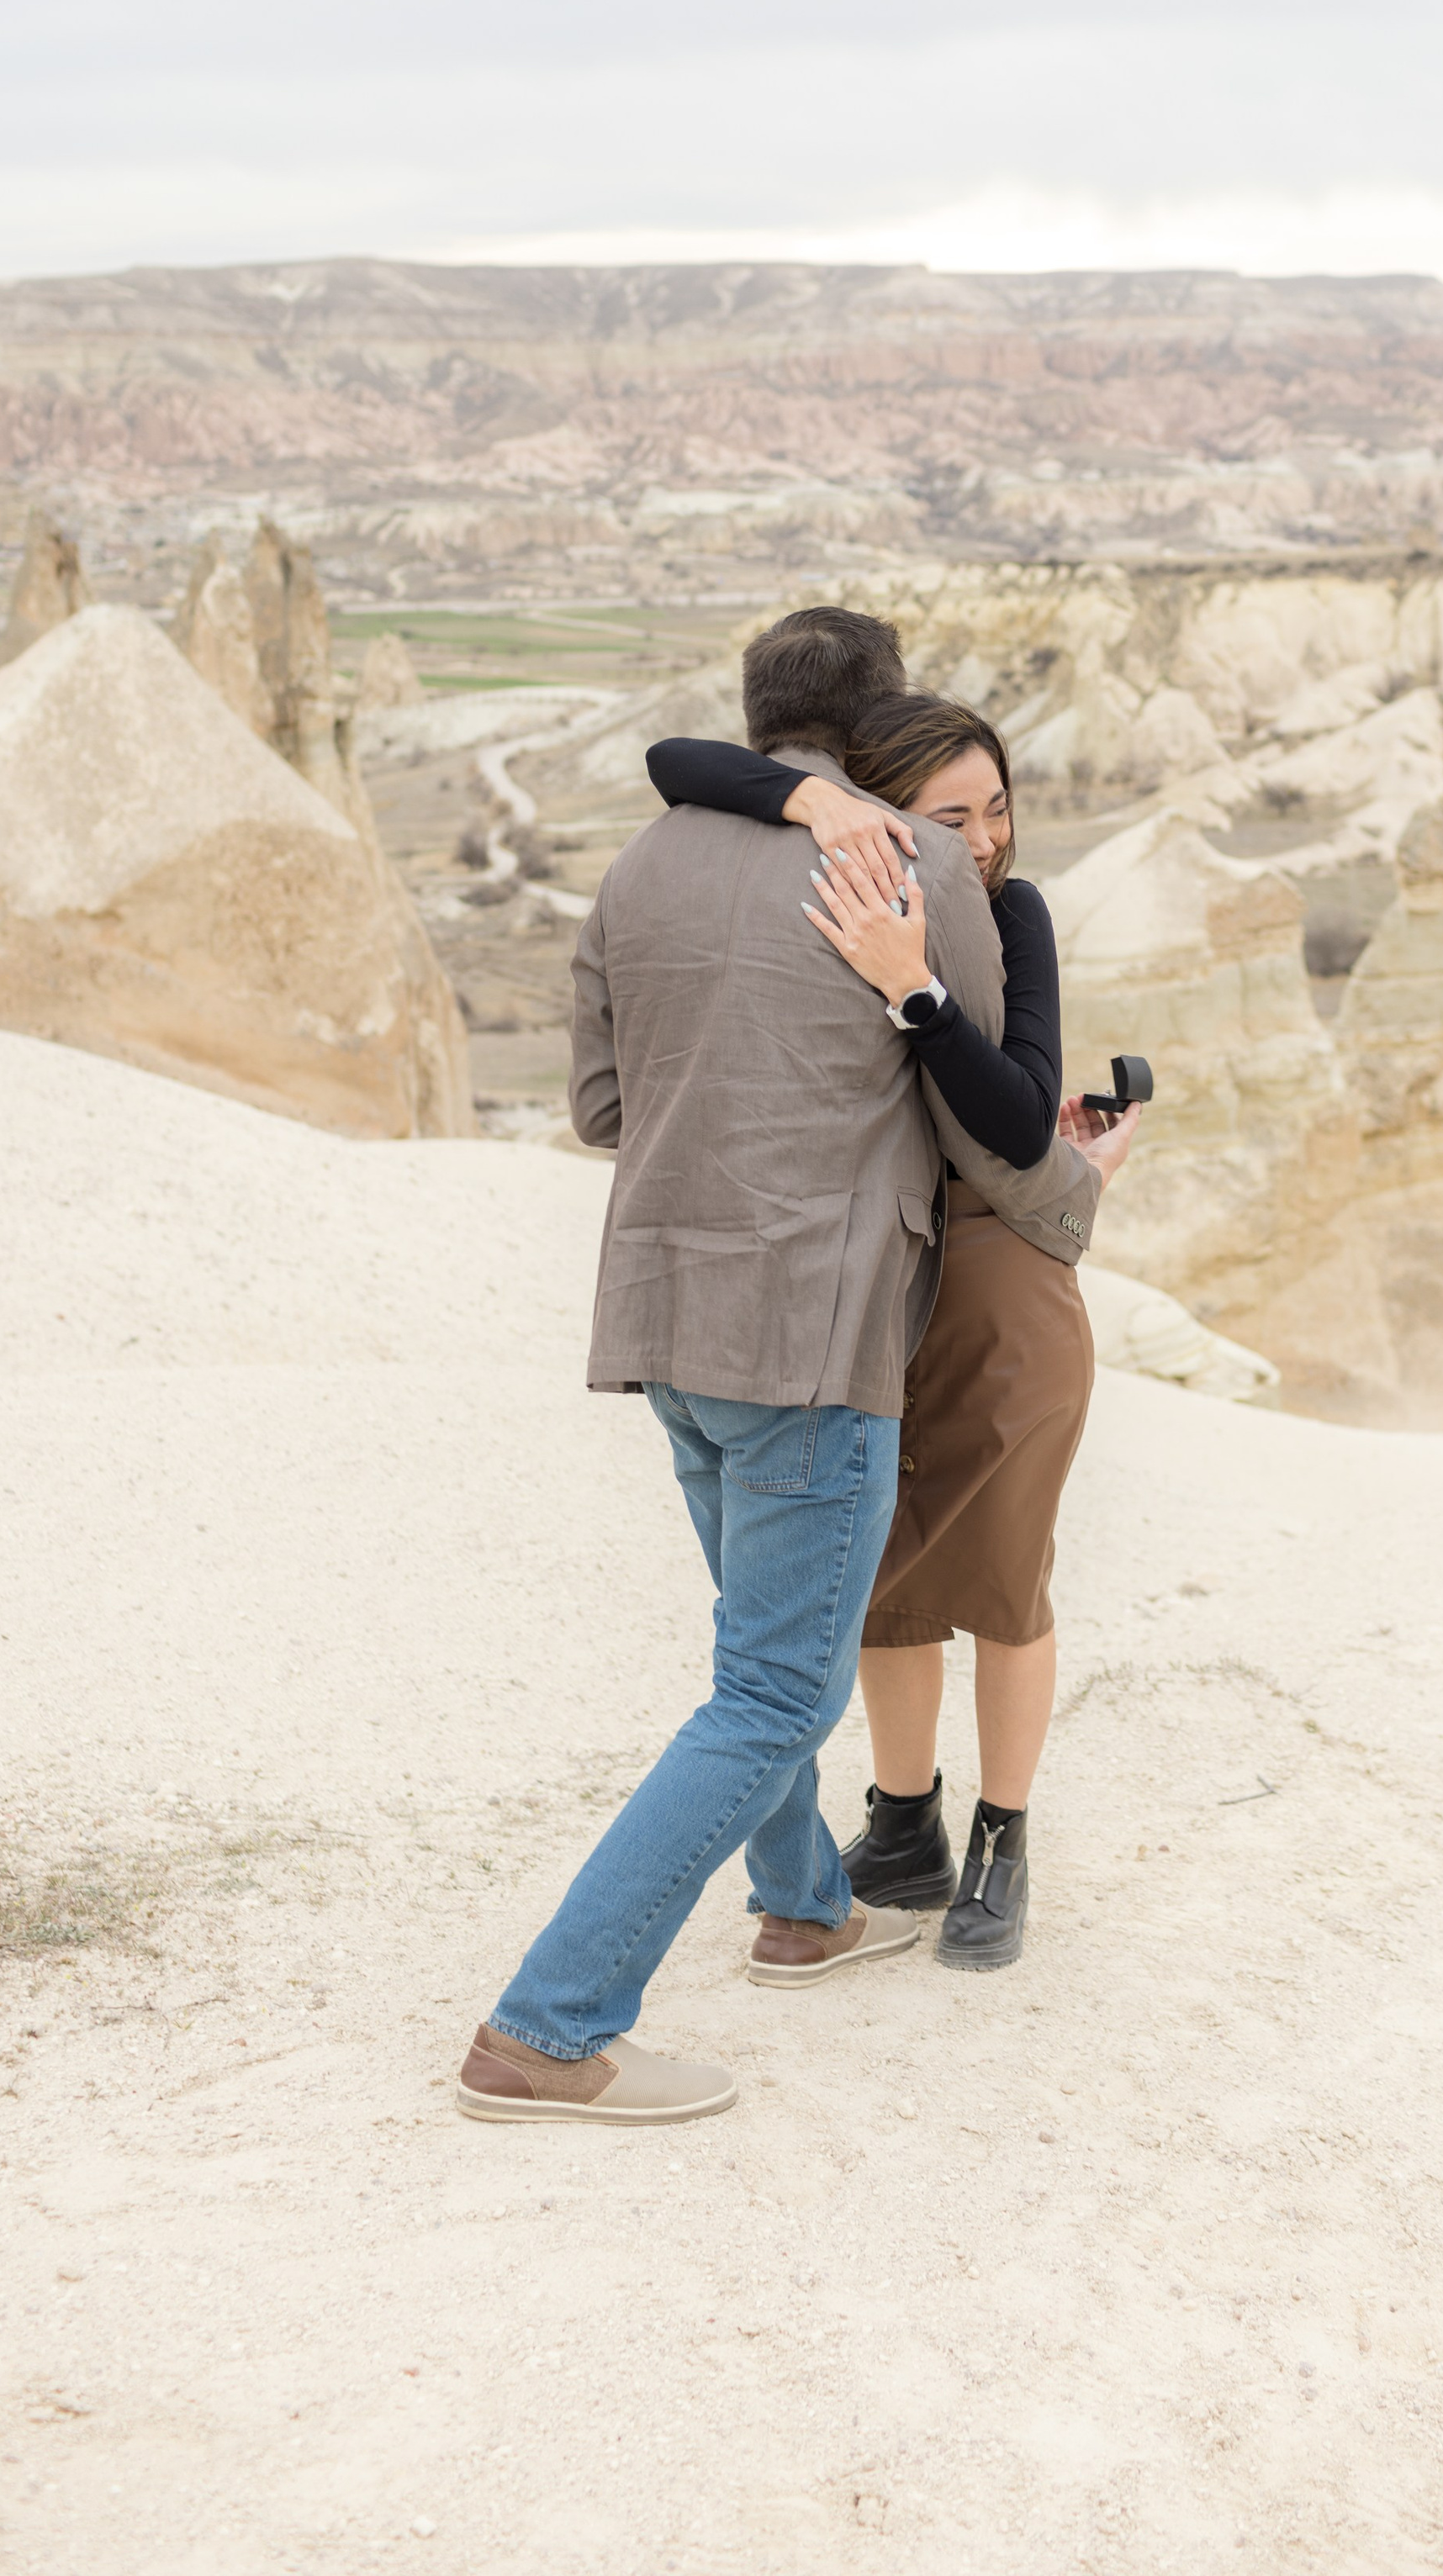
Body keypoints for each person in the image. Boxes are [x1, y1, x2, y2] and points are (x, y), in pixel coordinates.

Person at [457, 610, 1104, 2128]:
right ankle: (550, 2025)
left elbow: (603, 1108)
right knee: (770, 1691)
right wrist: (1074, 1186)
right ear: (880, 723)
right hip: (816, 1332)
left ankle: (808, 1908)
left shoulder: (639, 865)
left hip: (664, 1318)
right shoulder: (917, 871)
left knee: (760, 1646)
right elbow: (987, 1131)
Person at [647, 691, 1140, 1972]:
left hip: (1001, 1290)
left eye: (997, 809)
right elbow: (674, 759)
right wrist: (810, 797)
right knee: (884, 1576)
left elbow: (1020, 1118)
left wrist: (912, 988)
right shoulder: (847, 881)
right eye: (949, 817)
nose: (983, 840)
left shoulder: (1006, 918)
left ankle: (1001, 1844)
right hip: (878, 1290)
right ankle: (906, 1823)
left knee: (1007, 1579)